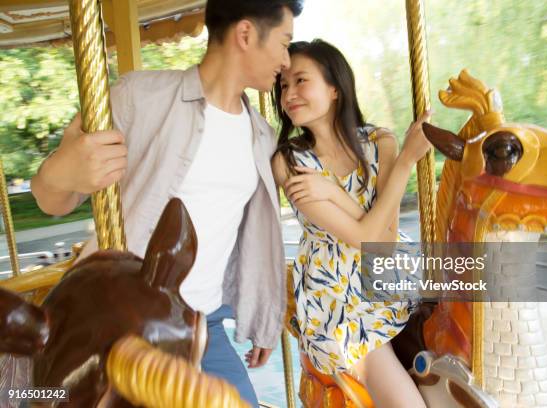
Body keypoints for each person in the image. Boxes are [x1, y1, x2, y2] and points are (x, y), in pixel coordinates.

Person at [30, 1, 304, 406]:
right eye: (283, 44)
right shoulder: (138, 97)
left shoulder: (261, 136)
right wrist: (57, 174)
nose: (285, 60)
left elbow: (253, 241)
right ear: (245, 35)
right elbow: (52, 198)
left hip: (200, 327)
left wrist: (263, 321)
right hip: (123, 323)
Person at [271, 39, 430, 407]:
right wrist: (406, 162)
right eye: (283, 85)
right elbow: (368, 238)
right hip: (338, 301)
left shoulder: (380, 142)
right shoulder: (291, 162)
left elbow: (384, 241)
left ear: (334, 89)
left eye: (300, 81)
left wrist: (331, 192)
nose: (289, 93)